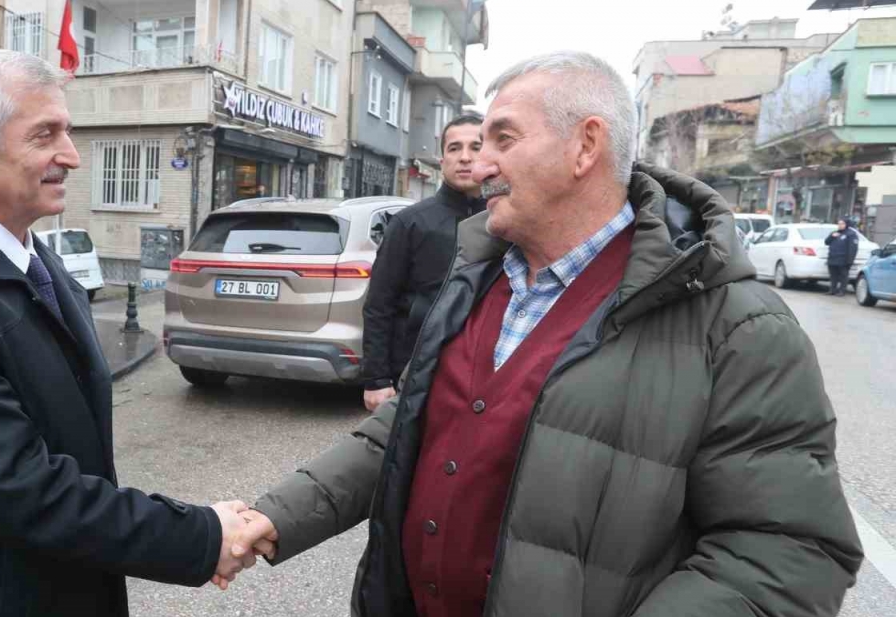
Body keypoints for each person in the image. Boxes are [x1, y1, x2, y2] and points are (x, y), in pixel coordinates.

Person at [229, 51, 863, 616]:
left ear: (586, 146)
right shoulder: (476, 276)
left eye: (502, 139)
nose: (480, 165)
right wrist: (275, 516)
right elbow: (405, 429)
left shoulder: (735, 324)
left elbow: (787, 552)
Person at [0, 50, 251, 617]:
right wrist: (201, 536)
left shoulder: (40, 261)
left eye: (67, 131)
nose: (72, 156)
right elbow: (22, 487)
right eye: (45, 135)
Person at [360, 112, 488, 411]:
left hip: (482, 379)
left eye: (476, 147)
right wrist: (377, 379)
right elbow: (379, 304)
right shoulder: (410, 223)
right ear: (442, 161)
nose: (465, 157)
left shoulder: (507, 222)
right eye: (454, 148)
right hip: (415, 375)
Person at [825, 218, 860, 296]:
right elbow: (826, 242)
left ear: (846, 224)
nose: (840, 225)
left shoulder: (851, 234)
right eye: (839, 224)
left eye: (842, 224)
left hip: (843, 259)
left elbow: (852, 248)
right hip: (833, 258)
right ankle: (832, 290)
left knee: (843, 276)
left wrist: (850, 260)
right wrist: (831, 236)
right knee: (833, 276)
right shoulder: (835, 233)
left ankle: (842, 291)